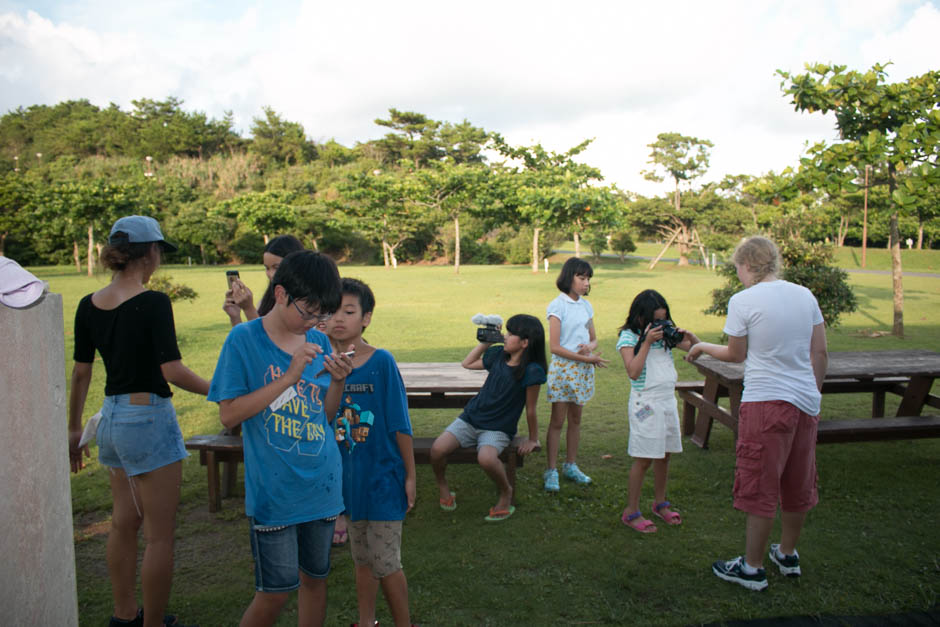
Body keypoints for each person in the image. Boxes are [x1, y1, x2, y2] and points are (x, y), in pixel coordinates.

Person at [67, 215, 210, 627]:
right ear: (149, 253)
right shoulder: (153, 302)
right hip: (147, 418)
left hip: (111, 419)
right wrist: (221, 391)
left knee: (123, 523)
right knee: (159, 535)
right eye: (159, 250)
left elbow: (81, 373)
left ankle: (124, 615)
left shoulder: (88, 304)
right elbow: (172, 371)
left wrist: (74, 429)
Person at [207, 250, 354, 626]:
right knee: (275, 591)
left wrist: (338, 381)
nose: (316, 322)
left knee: (315, 581)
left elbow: (324, 415)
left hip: (321, 483)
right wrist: (288, 378)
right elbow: (229, 414)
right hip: (275, 491)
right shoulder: (243, 340)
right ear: (281, 294)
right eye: (309, 312)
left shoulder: (318, 340)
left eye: (323, 314)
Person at [687, 236, 828, 591]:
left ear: (748, 264)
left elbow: (736, 355)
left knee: (760, 483)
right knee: (798, 480)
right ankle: (788, 553)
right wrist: (813, 393)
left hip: (765, 404)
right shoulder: (805, 295)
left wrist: (701, 346)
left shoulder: (743, 300)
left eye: (738, 267)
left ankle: (752, 569)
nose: (738, 273)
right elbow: (820, 353)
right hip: (805, 404)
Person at [326, 278, 416, 627]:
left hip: (383, 479)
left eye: (349, 311)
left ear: (366, 318)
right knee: (362, 559)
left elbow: (400, 423)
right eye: (332, 310)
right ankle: (366, 622)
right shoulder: (320, 364)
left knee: (386, 562)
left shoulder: (381, 362)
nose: (339, 318)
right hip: (348, 483)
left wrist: (410, 475)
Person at [430, 314, 547, 521]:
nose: (505, 336)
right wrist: (486, 343)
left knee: (486, 458)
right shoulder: (498, 356)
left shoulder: (531, 371)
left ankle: (506, 491)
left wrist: (532, 439)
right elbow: (467, 363)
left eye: (511, 333)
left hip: (498, 428)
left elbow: (531, 409)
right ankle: (443, 486)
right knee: (437, 450)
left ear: (525, 343)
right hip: (471, 419)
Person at [616, 289, 700, 533]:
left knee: (664, 455)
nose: (660, 325)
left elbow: (695, 352)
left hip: (666, 401)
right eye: (655, 321)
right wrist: (647, 342)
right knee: (643, 458)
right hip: (645, 405)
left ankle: (660, 503)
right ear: (640, 317)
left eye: (663, 320)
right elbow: (633, 371)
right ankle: (631, 511)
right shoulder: (629, 337)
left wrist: (692, 337)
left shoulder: (665, 336)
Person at [543, 257, 608, 492]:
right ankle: (551, 470)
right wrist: (586, 358)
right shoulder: (557, 306)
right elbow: (555, 347)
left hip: (581, 370)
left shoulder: (586, 307)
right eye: (581, 278)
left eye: (588, 278)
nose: (586, 283)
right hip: (563, 371)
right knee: (557, 421)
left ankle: (571, 465)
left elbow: (594, 338)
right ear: (568, 277)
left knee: (576, 420)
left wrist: (589, 347)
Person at [223, 234, 305, 326]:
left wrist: (249, 309)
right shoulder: (268, 299)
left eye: (276, 267)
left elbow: (266, 334)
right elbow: (251, 335)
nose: (271, 274)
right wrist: (235, 317)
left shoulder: (305, 303)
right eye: (267, 268)